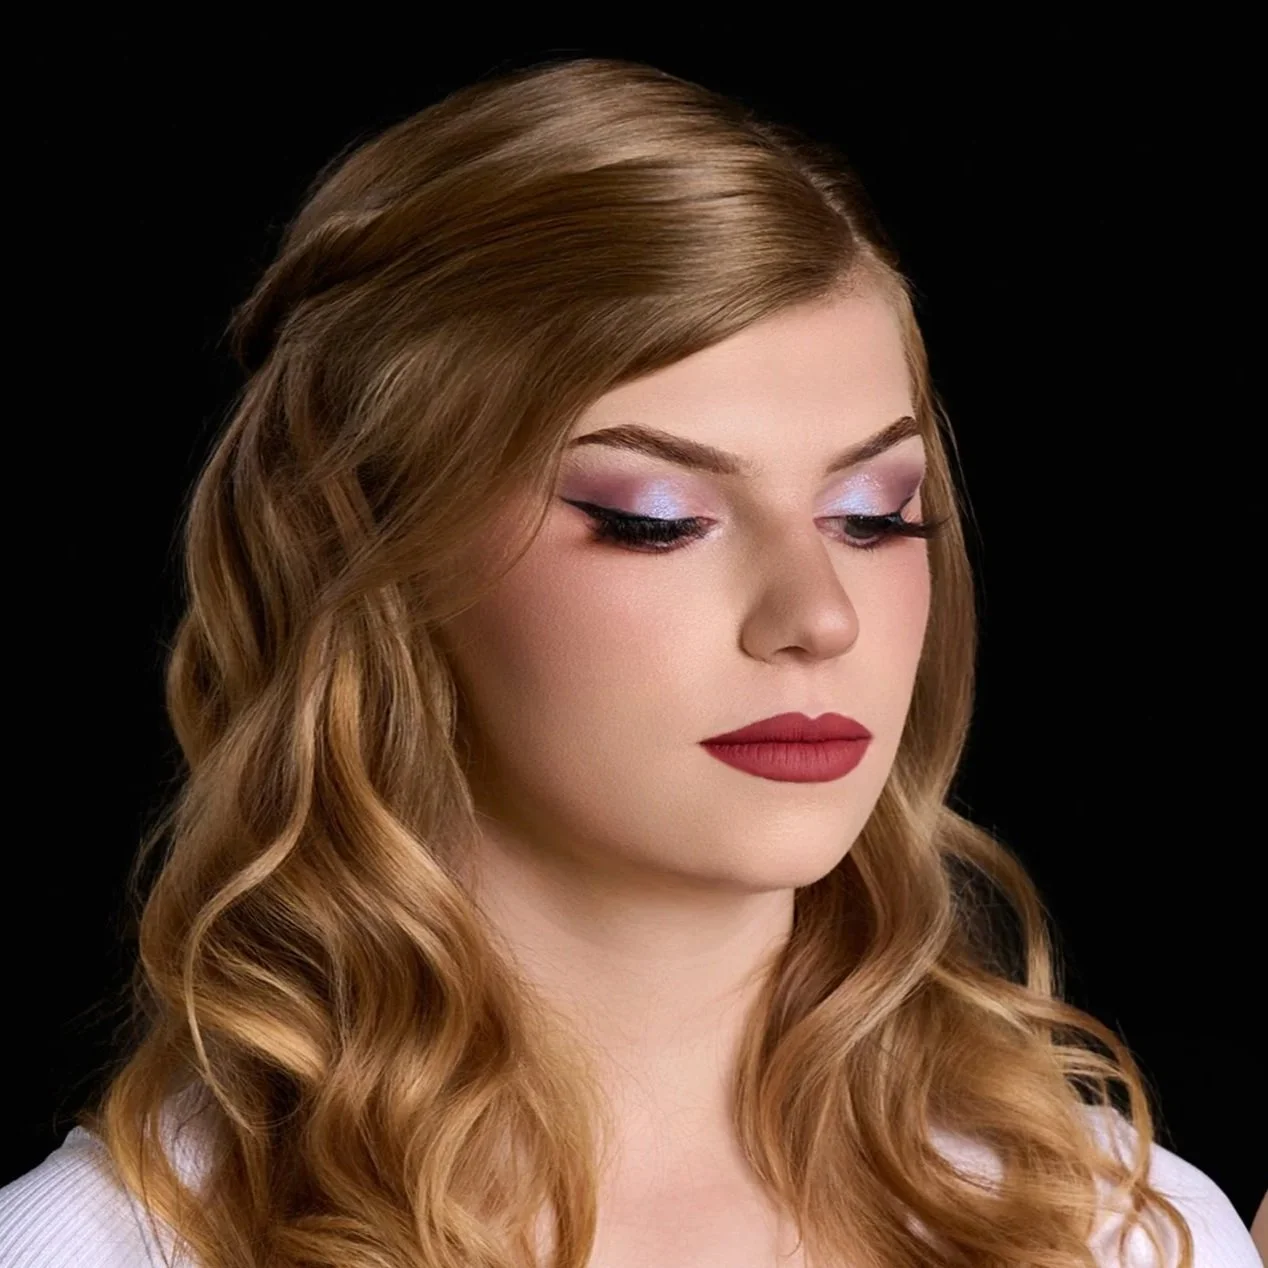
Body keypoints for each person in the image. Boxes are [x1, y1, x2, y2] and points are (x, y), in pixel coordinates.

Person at [1, 56, 1260, 1268]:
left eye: (873, 512)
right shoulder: (112, 1245)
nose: (816, 614)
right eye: (655, 516)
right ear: (373, 544)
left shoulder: (1118, 1226)